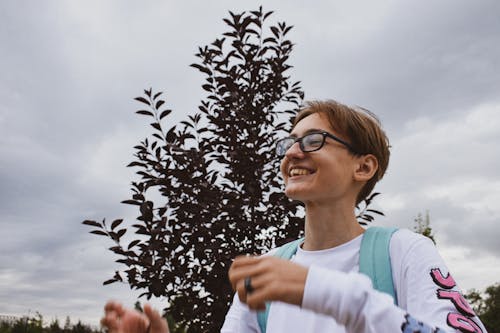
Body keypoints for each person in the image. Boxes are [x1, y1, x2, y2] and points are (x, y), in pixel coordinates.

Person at [101, 100, 486, 332]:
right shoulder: (270, 268)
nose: (293, 153)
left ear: (364, 167)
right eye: (289, 142)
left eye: (314, 140)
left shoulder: (403, 252)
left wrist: (331, 294)